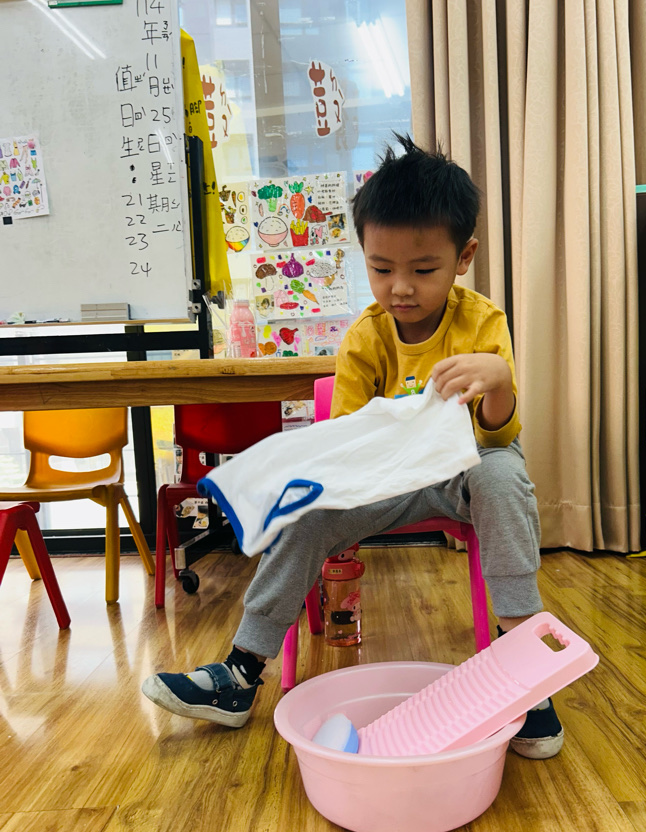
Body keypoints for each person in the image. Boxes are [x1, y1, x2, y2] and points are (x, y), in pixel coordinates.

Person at [142, 135, 563, 760]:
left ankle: (525, 670)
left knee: (502, 476)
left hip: (466, 469)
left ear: (464, 256)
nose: (400, 288)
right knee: (306, 511)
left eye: (423, 270)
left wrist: (499, 381)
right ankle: (240, 673)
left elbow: (498, 437)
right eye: (381, 269)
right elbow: (348, 447)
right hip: (387, 478)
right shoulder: (367, 336)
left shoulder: (481, 322)